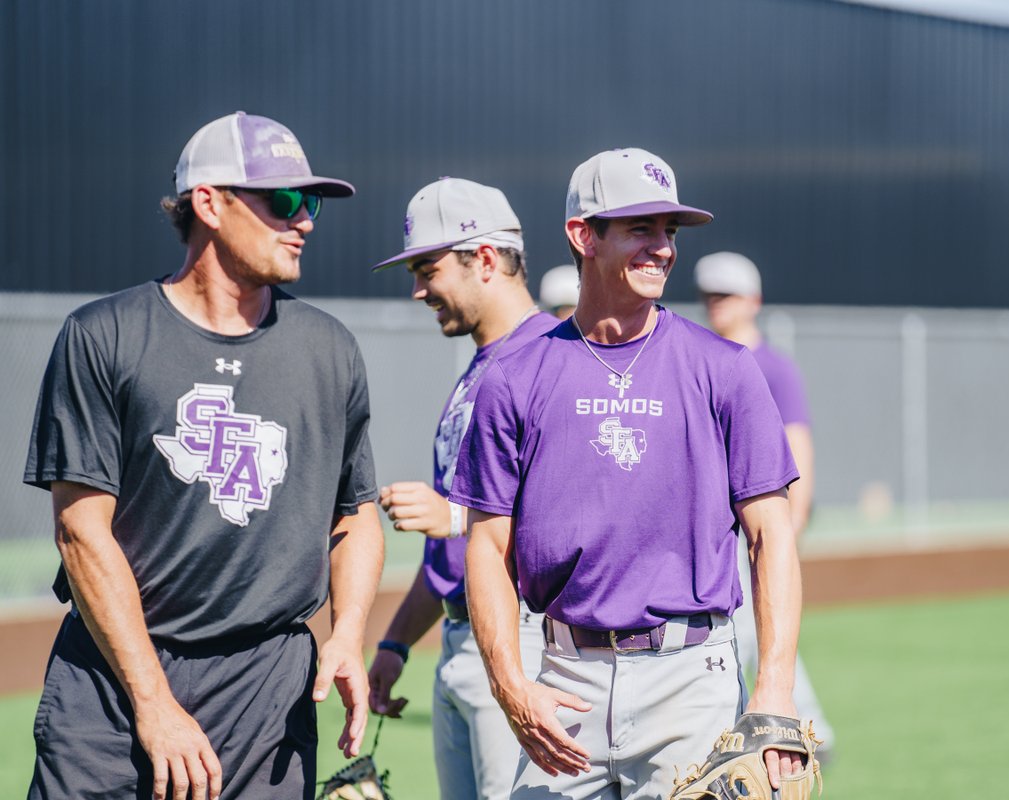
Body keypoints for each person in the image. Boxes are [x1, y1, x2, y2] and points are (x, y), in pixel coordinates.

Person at [23, 111, 383, 800]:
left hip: (265, 688)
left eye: (310, 203)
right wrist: (153, 703)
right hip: (114, 680)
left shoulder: (329, 350)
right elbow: (80, 531)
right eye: (283, 201)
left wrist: (347, 634)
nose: (304, 219)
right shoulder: (104, 336)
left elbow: (356, 514)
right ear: (209, 204)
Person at [451, 148, 807, 798]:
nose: (663, 248)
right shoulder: (514, 378)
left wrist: (774, 688)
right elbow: (487, 544)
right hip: (563, 681)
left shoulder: (725, 369)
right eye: (641, 228)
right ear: (583, 235)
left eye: (669, 231)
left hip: (690, 681)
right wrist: (510, 686)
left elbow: (771, 533)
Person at [367, 178, 559, 799]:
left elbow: (576, 518)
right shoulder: (479, 368)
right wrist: (397, 642)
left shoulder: (554, 360)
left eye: (428, 268)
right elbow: (453, 553)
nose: (418, 289)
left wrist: (453, 515)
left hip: (526, 644)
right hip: (458, 643)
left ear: (483, 259)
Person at [695, 250, 835, 762]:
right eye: (710, 295)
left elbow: (798, 442)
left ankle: (792, 729)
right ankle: (808, 729)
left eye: (726, 295)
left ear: (753, 301)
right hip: (712, 531)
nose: (717, 304)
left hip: (756, 524)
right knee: (749, 635)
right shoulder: (702, 358)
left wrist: (791, 524)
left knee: (750, 632)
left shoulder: (773, 366)